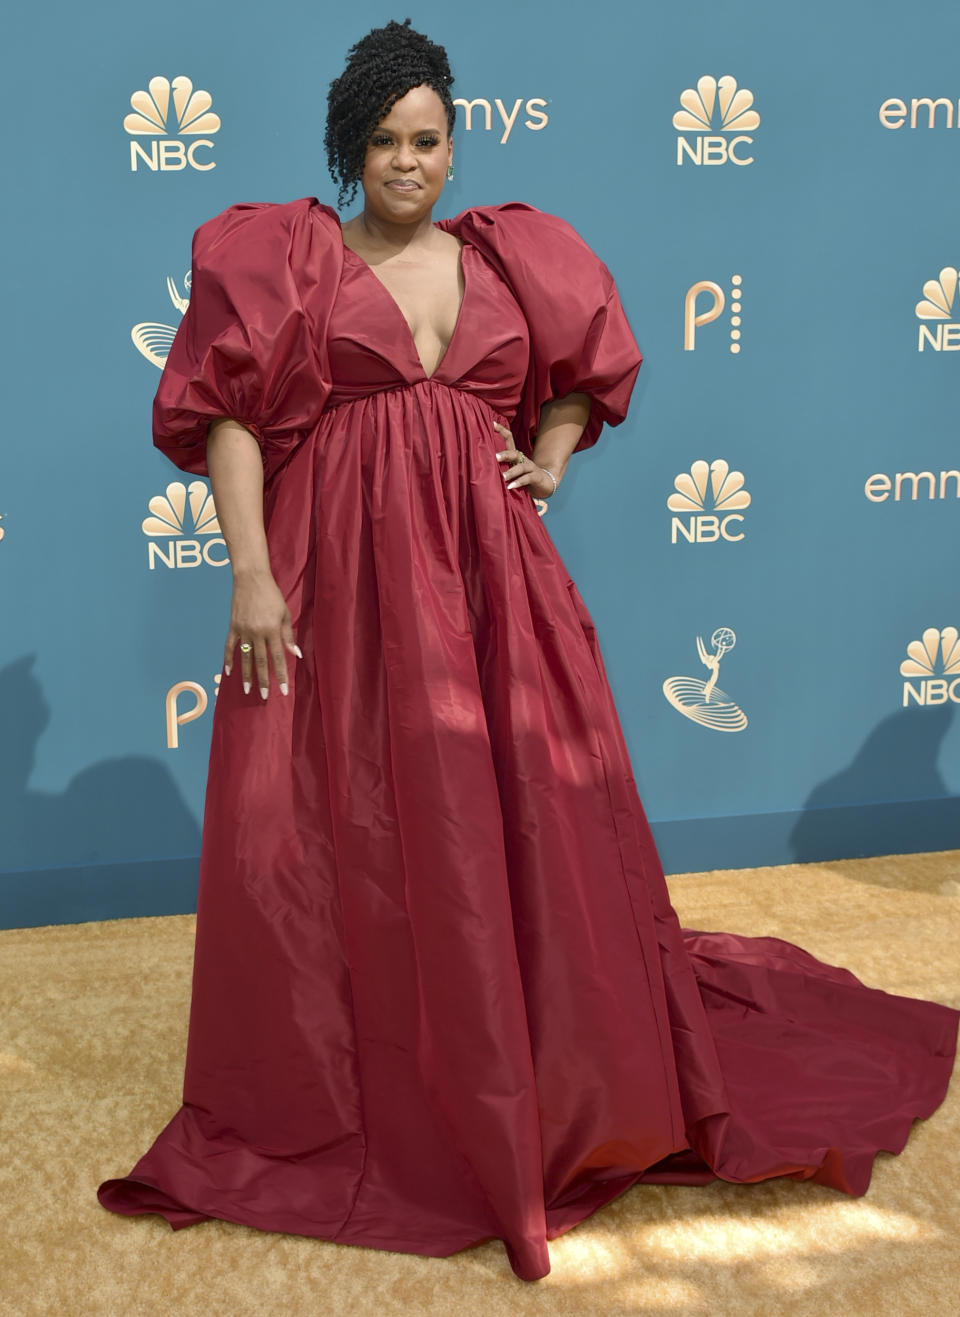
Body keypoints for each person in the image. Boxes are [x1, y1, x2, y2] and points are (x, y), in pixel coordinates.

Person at [97, 19, 959, 1283]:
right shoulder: (292, 253)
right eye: (386, 140)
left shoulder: (507, 255)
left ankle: (529, 1080)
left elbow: (582, 374)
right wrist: (251, 575)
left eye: (429, 139)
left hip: (492, 577)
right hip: (336, 579)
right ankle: (371, 1087)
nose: (409, 161)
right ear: (353, 145)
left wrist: (544, 461)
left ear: (457, 142)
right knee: (338, 833)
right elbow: (227, 417)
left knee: (507, 820)